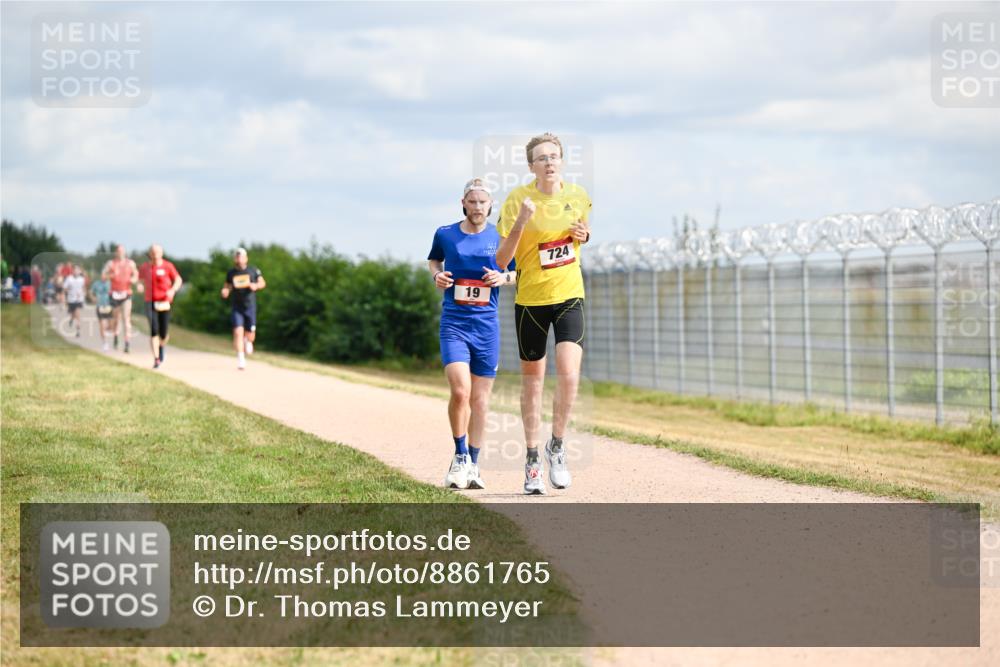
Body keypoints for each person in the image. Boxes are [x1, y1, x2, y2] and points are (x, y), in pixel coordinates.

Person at [495, 133, 592, 495]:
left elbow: (578, 236)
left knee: (569, 374)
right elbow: (502, 260)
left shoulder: (579, 196)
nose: (549, 162)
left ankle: (557, 445)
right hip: (531, 302)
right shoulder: (518, 199)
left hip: (569, 295)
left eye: (554, 156)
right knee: (533, 383)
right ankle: (533, 460)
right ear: (531, 166)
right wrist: (521, 221)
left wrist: (584, 234)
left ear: (562, 161)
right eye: (541, 158)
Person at [428, 178, 516, 491]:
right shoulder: (446, 234)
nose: (478, 207)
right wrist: (438, 275)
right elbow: (433, 259)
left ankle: (474, 464)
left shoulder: (501, 236)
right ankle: (460, 455)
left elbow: (516, 271)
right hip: (454, 323)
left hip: (486, 326)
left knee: (480, 400)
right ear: (463, 203)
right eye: (472, 201)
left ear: (490, 205)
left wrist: (502, 277)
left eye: (483, 202)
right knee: (461, 390)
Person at [220, 247, 266, 370]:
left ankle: (248, 340)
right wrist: (225, 291)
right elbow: (227, 286)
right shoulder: (231, 273)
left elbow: (262, 283)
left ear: (246, 258)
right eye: (237, 256)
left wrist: (255, 285)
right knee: (237, 332)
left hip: (250, 306)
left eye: (241, 256)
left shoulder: (253, 270)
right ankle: (241, 359)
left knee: (250, 335)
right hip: (237, 307)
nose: (239, 259)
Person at [138, 244, 182, 369]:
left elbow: (178, 280)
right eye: (153, 252)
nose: (155, 254)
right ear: (150, 253)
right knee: (154, 329)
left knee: (164, 333)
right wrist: (140, 286)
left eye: (157, 251)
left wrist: (173, 290)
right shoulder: (145, 267)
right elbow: (140, 280)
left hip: (164, 302)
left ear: (161, 253)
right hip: (150, 301)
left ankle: (161, 346)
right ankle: (156, 358)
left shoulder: (168, 266)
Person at [102, 245, 139, 352]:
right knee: (116, 319)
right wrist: (112, 275)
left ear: (124, 252)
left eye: (122, 251)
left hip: (126, 293)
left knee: (126, 319)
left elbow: (136, 275)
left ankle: (127, 343)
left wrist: (134, 280)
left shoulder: (130, 263)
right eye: (118, 251)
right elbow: (103, 277)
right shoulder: (111, 263)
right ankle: (116, 336)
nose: (120, 253)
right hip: (114, 294)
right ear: (116, 253)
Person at [90, 274, 113, 351]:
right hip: (99, 306)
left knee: (110, 325)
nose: (103, 276)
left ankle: (108, 331)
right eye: (102, 275)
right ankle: (105, 343)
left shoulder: (110, 283)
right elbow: (90, 292)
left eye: (105, 275)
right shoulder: (96, 283)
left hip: (109, 305)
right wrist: (93, 298)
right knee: (102, 324)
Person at [62, 265, 87, 337]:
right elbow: (64, 288)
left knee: (78, 314)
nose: (76, 271)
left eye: (78, 270)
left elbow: (83, 288)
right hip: (71, 299)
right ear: (73, 271)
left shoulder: (82, 279)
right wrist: (69, 291)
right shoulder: (69, 278)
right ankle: (71, 320)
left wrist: (83, 294)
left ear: (79, 272)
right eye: (75, 270)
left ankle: (78, 331)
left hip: (79, 300)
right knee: (73, 314)